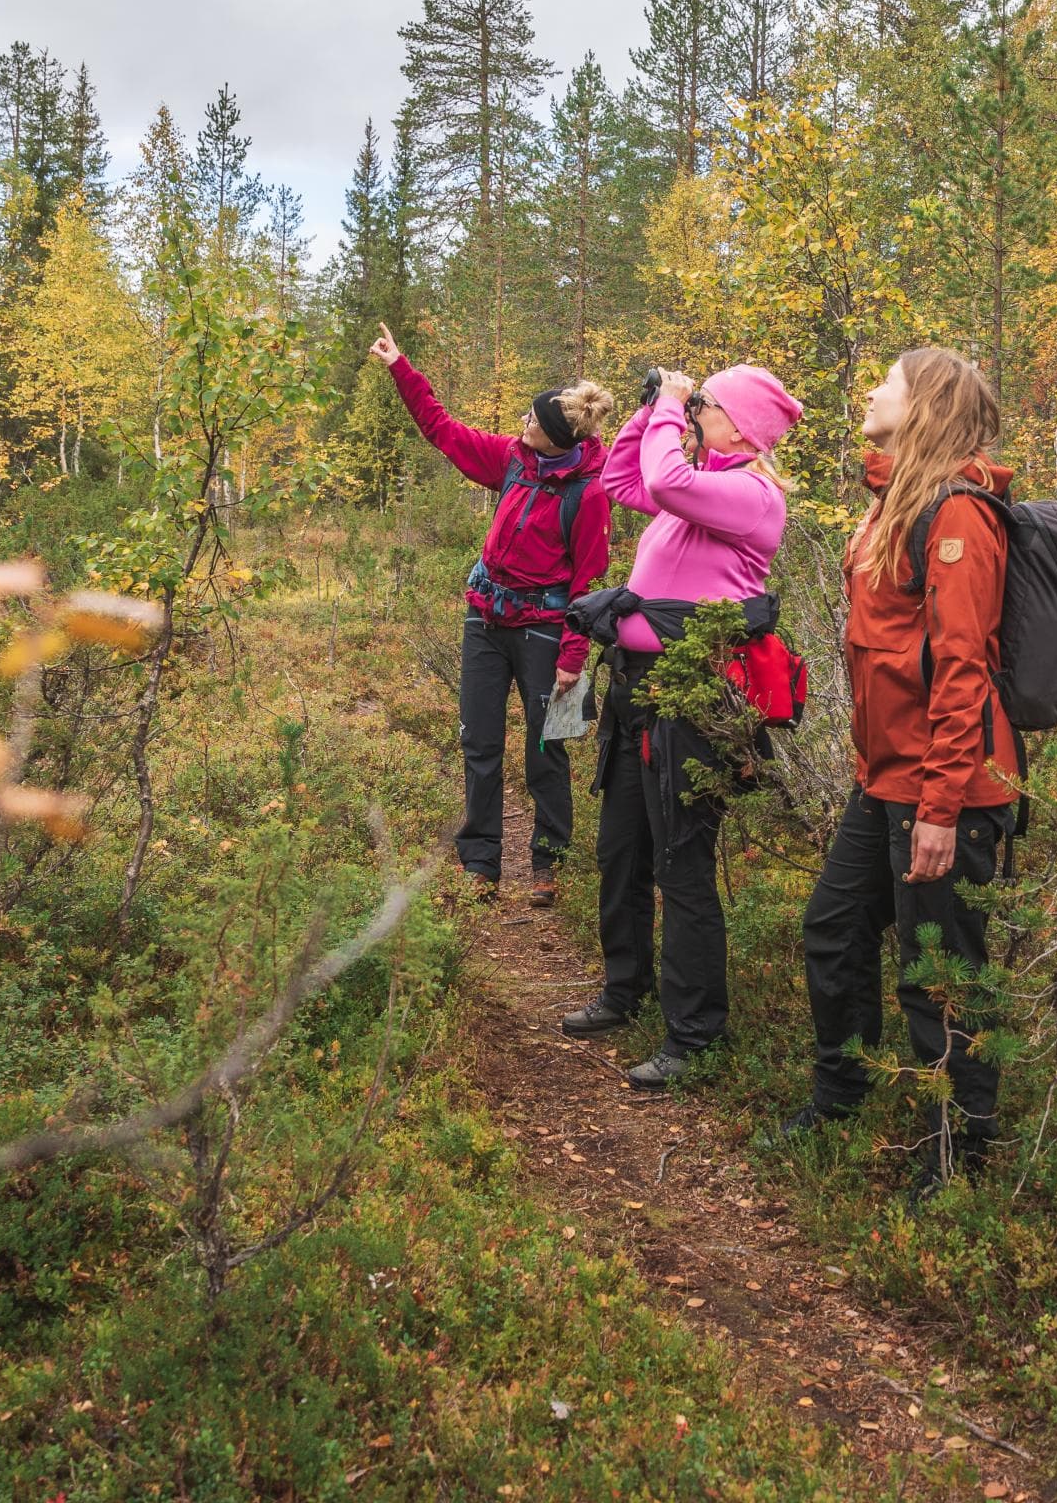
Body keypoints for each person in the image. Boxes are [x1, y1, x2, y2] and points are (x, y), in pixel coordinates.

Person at [788, 346, 1021, 1192]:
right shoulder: (896, 502)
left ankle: (961, 1151)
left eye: (885, 382)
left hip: (942, 787)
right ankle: (842, 1095)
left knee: (937, 972)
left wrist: (943, 807)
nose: (870, 392)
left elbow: (961, 670)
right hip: (885, 778)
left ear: (921, 404)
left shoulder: (958, 515)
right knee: (835, 929)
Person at [560, 361, 800, 1090]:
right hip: (639, 690)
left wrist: (669, 406)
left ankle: (694, 1035)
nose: (695, 410)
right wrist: (649, 411)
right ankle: (624, 990)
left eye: (708, 404)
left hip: (692, 699)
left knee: (682, 868)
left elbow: (664, 483)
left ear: (742, 424)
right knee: (621, 851)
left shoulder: (749, 495)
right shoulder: (699, 486)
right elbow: (624, 482)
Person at [368, 324, 615, 906]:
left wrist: (573, 659)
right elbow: (443, 430)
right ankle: (480, 860)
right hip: (485, 619)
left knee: (544, 748)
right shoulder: (512, 458)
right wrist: (401, 367)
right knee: (478, 742)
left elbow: (588, 582)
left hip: (545, 632)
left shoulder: (591, 494)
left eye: (533, 422)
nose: (523, 426)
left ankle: (547, 862)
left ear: (558, 439)